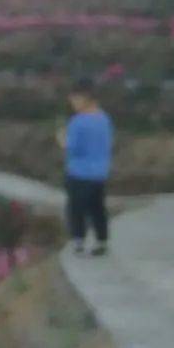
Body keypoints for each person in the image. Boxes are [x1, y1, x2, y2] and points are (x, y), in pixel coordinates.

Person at [58, 81, 113, 256]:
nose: (73, 104)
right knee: (97, 208)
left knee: (76, 208)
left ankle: (78, 241)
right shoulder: (104, 119)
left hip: (79, 173)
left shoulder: (78, 122)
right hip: (99, 173)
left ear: (84, 99)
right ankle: (101, 240)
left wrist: (61, 138)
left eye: (74, 100)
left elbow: (72, 147)